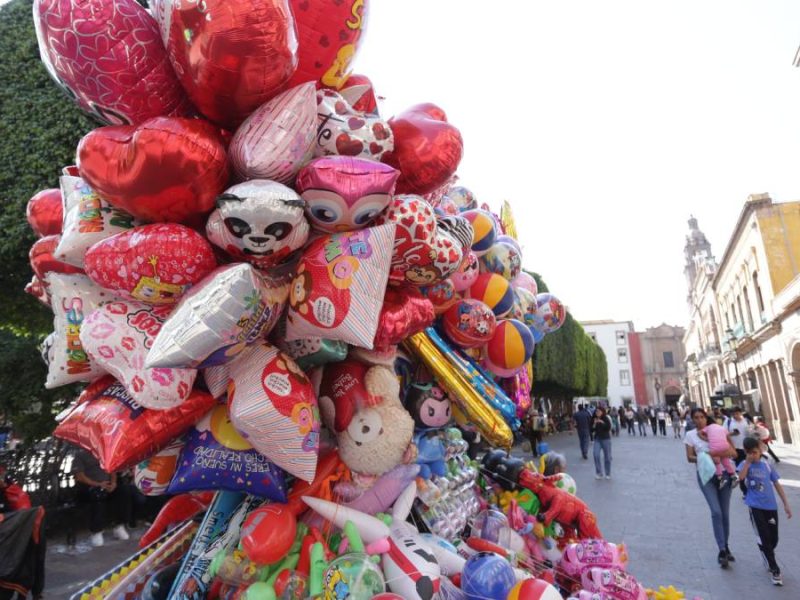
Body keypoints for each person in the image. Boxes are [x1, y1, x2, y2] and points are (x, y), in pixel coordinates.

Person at [684, 408, 738, 568]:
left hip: (725, 477)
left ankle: (726, 546)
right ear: (693, 420)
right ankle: (721, 549)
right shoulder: (690, 435)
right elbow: (689, 457)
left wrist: (721, 453)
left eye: (702, 417)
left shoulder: (719, 431)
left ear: (706, 418)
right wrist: (706, 456)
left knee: (725, 514)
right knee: (716, 512)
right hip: (706, 476)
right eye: (696, 417)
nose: (699, 420)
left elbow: (734, 453)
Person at [738, 436, 792, 586]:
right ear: (745, 452)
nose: (752, 455)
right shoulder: (744, 464)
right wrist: (747, 463)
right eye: (749, 453)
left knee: (773, 539)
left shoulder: (767, 466)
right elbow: (741, 478)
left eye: (755, 452)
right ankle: (775, 569)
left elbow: (776, 484)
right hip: (755, 506)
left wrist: (786, 504)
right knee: (764, 537)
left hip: (771, 507)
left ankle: (765, 551)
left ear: (760, 450)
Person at [0, 465, 45, 600]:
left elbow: (19, 505)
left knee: (34, 524)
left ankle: (36, 591)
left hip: (11, 528)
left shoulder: (7, 485)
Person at [72, 447, 131, 547]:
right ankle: (96, 531)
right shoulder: (80, 455)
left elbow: (113, 471)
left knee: (124, 492)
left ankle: (119, 525)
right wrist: (97, 484)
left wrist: (113, 483)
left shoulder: (105, 453)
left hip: (106, 484)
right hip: (89, 487)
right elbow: (80, 476)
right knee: (98, 495)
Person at [698, 420, 738, 487]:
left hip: (715, 448)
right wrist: (733, 449)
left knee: (717, 462)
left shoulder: (708, 427)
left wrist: (706, 439)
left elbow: (699, 433)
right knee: (726, 461)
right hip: (725, 446)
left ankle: (721, 478)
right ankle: (734, 476)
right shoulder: (722, 427)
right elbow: (728, 437)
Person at [591, 407, 613, 479]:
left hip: (606, 439)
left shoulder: (606, 418)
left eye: (599, 411)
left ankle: (607, 473)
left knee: (607, 457)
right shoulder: (594, 419)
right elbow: (591, 429)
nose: (597, 413)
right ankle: (599, 472)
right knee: (596, 455)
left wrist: (602, 422)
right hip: (597, 439)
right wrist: (594, 424)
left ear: (602, 412)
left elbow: (608, 427)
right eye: (596, 411)